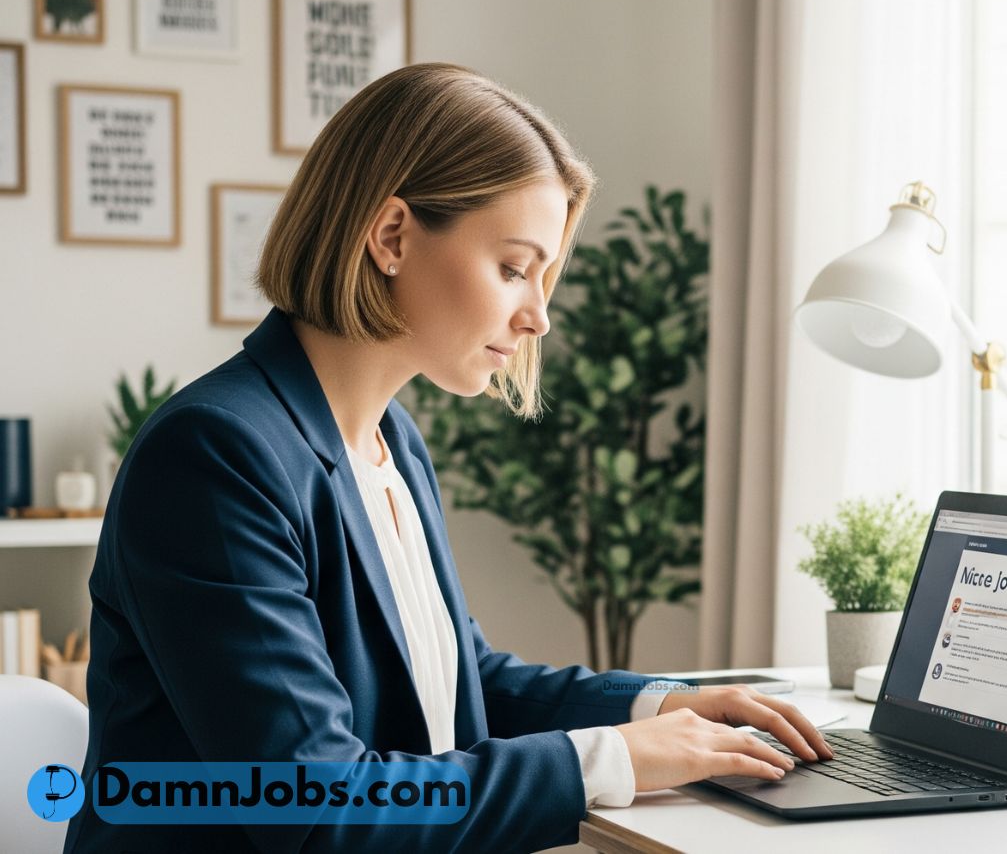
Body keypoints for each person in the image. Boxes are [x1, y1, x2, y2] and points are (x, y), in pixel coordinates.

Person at [64, 63, 832, 853]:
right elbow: (311, 806)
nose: (537, 317)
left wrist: (662, 708)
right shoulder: (216, 456)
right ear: (392, 235)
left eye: (544, 277)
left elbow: (462, 681)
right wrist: (611, 759)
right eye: (512, 268)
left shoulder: (392, 441)